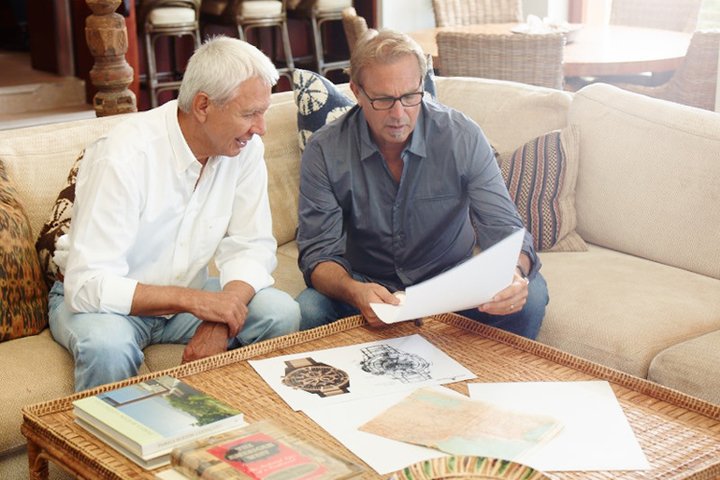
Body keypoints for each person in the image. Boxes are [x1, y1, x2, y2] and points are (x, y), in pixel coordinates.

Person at [50, 36, 301, 392]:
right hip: (105, 306)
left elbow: (252, 246)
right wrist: (197, 301)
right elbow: (87, 287)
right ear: (202, 106)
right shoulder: (124, 155)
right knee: (108, 347)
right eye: (250, 114)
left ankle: (238, 423)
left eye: (263, 112)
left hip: (188, 298)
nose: (261, 128)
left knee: (281, 313)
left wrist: (220, 317)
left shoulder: (244, 150)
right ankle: (98, 447)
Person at [295, 29, 548, 338]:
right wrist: (353, 290)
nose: (399, 114)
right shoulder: (324, 150)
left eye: (410, 96)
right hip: (366, 285)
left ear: (422, 86)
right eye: (384, 99)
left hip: (451, 286)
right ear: (357, 93)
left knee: (530, 297)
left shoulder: (462, 136)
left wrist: (514, 274)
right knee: (310, 310)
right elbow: (318, 255)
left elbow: (507, 230)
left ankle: (485, 382)